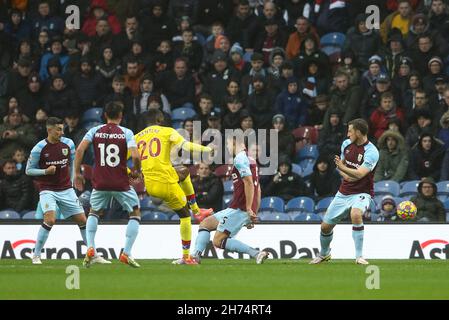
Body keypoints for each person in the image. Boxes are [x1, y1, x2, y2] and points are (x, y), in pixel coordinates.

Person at [134, 109, 212, 264]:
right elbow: (186, 146)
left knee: (183, 171)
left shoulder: (136, 137)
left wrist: (133, 173)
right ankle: (186, 257)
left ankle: (197, 210)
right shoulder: (167, 131)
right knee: (184, 216)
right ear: (159, 119)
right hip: (165, 182)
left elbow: (121, 159)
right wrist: (206, 149)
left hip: (149, 185)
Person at [74, 101, 142, 268]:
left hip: (100, 181)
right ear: (121, 115)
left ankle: (90, 248)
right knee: (135, 213)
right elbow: (135, 156)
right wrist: (136, 171)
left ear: (105, 115)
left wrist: (76, 173)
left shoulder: (94, 130)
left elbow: (79, 150)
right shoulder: (126, 132)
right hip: (120, 182)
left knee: (94, 212)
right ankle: (126, 252)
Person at [310, 119, 379, 265]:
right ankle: (324, 254)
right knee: (325, 226)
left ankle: (359, 256)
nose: (348, 134)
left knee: (355, 214)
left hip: (362, 192)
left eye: (350, 131)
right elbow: (342, 167)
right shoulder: (346, 144)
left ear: (359, 132)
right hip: (344, 192)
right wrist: (345, 173)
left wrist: (343, 169)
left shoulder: (372, 152)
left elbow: (360, 174)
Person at [190, 136, 269, 264]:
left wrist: (249, 209)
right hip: (236, 207)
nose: (227, 147)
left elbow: (249, 182)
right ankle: (195, 256)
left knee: (218, 241)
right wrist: (254, 211)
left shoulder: (240, 158)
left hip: (240, 207)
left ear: (234, 143)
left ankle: (257, 253)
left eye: (227, 144)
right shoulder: (251, 160)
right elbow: (258, 188)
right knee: (205, 224)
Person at [25, 118, 91, 265]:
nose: (62, 132)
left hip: (66, 189)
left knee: (82, 220)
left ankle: (92, 253)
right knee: (50, 219)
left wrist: (75, 177)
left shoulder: (68, 143)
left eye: (62, 129)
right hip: (48, 189)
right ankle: (36, 255)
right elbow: (28, 170)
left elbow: (74, 160)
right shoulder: (39, 148)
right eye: (58, 129)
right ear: (49, 130)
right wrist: (45, 171)